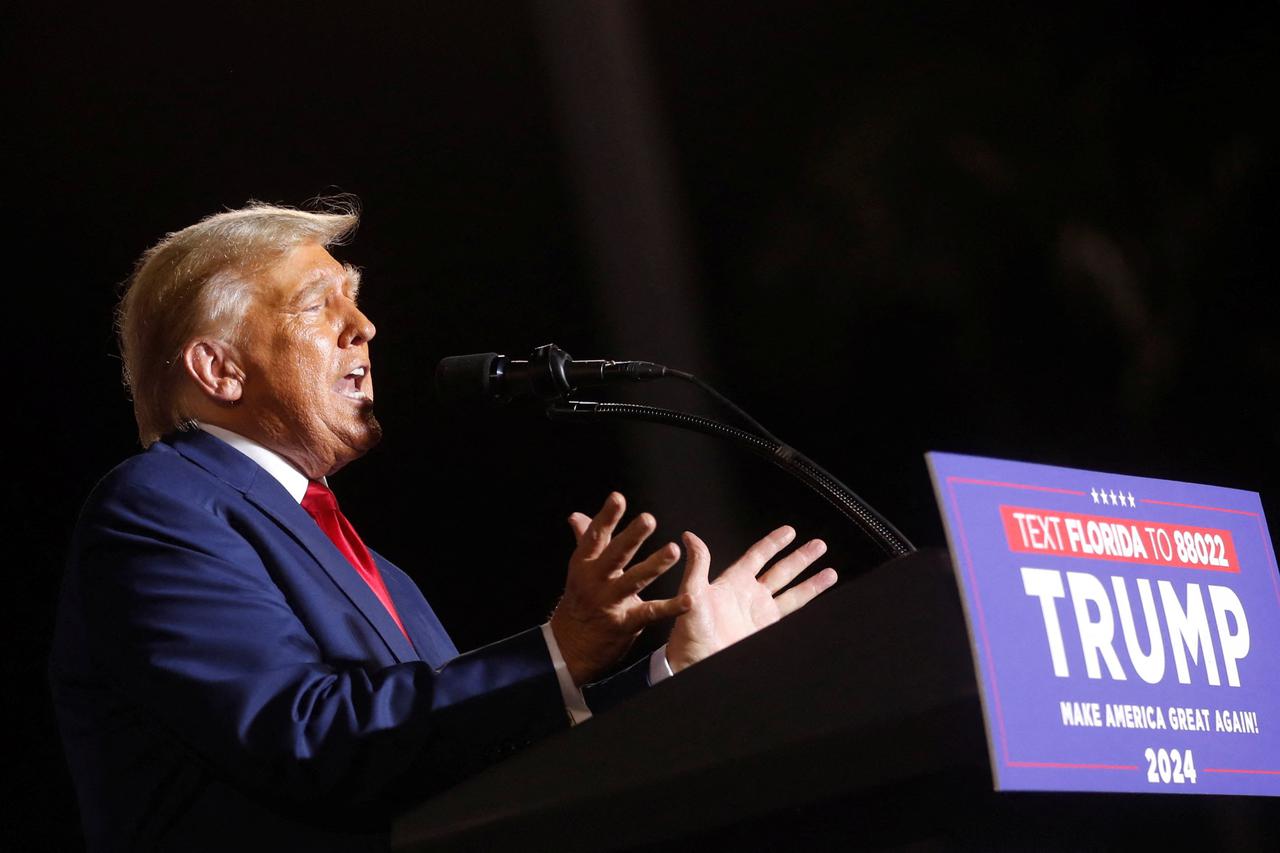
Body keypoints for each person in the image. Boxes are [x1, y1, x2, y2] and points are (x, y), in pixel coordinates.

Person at [50, 201, 838, 851]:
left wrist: (667, 672)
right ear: (218, 369)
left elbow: (471, 762)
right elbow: (302, 735)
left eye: (357, 300)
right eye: (320, 304)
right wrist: (558, 651)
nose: (365, 328)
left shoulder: (378, 571)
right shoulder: (160, 506)